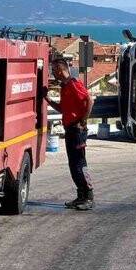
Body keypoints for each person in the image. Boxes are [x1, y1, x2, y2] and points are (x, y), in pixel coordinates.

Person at [45, 58, 95, 210]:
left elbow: (89, 100)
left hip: (77, 130)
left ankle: (88, 196)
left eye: (53, 70)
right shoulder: (65, 86)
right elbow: (63, 109)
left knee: (79, 164)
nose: (53, 73)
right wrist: (47, 99)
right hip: (70, 129)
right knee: (73, 165)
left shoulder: (73, 84)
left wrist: (83, 121)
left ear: (60, 69)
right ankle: (81, 196)